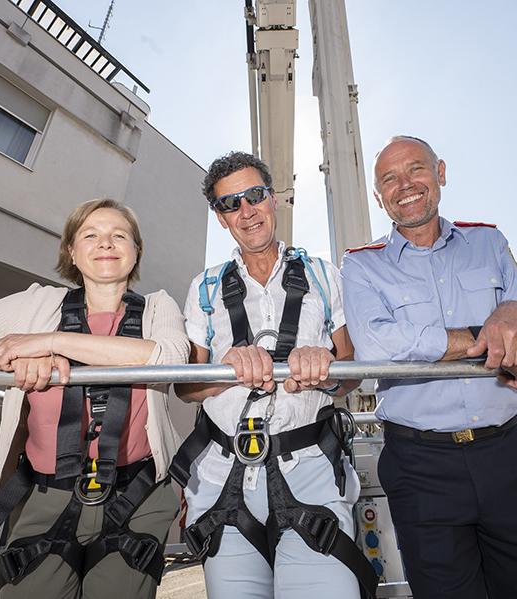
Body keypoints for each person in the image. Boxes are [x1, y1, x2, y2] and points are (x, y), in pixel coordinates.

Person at [0, 199, 189, 599]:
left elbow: (169, 357)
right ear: (70, 250)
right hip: (44, 494)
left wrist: (51, 342)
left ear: (136, 251)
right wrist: (10, 353)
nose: (106, 243)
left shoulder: (158, 307)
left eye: (120, 235)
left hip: (136, 495)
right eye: (91, 234)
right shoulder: (34, 306)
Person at [341, 136, 517, 599]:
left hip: (507, 452)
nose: (405, 185)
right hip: (419, 466)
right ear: (378, 195)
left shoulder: (488, 242)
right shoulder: (361, 266)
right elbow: (374, 345)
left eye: (417, 169)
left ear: (441, 172)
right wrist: (489, 335)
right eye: (389, 178)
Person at [170, 151, 377, 599]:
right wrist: (228, 373)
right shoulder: (204, 287)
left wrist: (324, 372)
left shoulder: (324, 275)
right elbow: (185, 386)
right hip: (224, 477)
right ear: (222, 218)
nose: (246, 211)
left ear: (274, 200)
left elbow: (350, 371)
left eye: (255, 195)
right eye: (231, 204)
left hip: (310, 471)